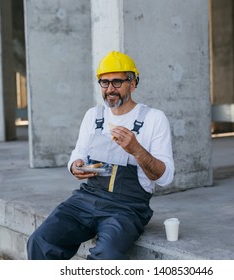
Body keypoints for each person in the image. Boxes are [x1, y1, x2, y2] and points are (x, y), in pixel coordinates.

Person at [27, 51, 175, 260]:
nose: (110, 89)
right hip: (85, 199)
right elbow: (78, 154)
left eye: (117, 82)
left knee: (106, 256)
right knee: (40, 242)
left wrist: (136, 149)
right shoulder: (93, 115)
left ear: (133, 83)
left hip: (127, 208)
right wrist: (75, 166)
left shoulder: (153, 119)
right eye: (104, 83)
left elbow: (165, 177)